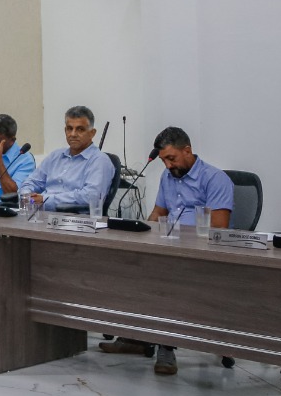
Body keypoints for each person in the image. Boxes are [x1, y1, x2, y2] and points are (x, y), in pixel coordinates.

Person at [100, 126, 235, 375]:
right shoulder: (167, 178)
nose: (168, 166)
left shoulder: (216, 179)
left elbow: (219, 229)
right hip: (168, 246)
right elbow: (157, 215)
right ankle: (134, 337)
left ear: (188, 150)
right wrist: (140, 235)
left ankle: (166, 346)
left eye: (171, 158)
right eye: (163, 160)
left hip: (199, 253)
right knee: (129, 263)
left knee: (165, 277)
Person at [17, 105, 114, 211]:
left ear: (92, 133)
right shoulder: (55, 156)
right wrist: (27, 196)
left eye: (80, 129)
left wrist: (45, 200)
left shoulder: (99, 160)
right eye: (69, 129)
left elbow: (91, 196)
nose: (73, 134)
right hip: (39, 216)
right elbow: (31, 182)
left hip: (75, 221)